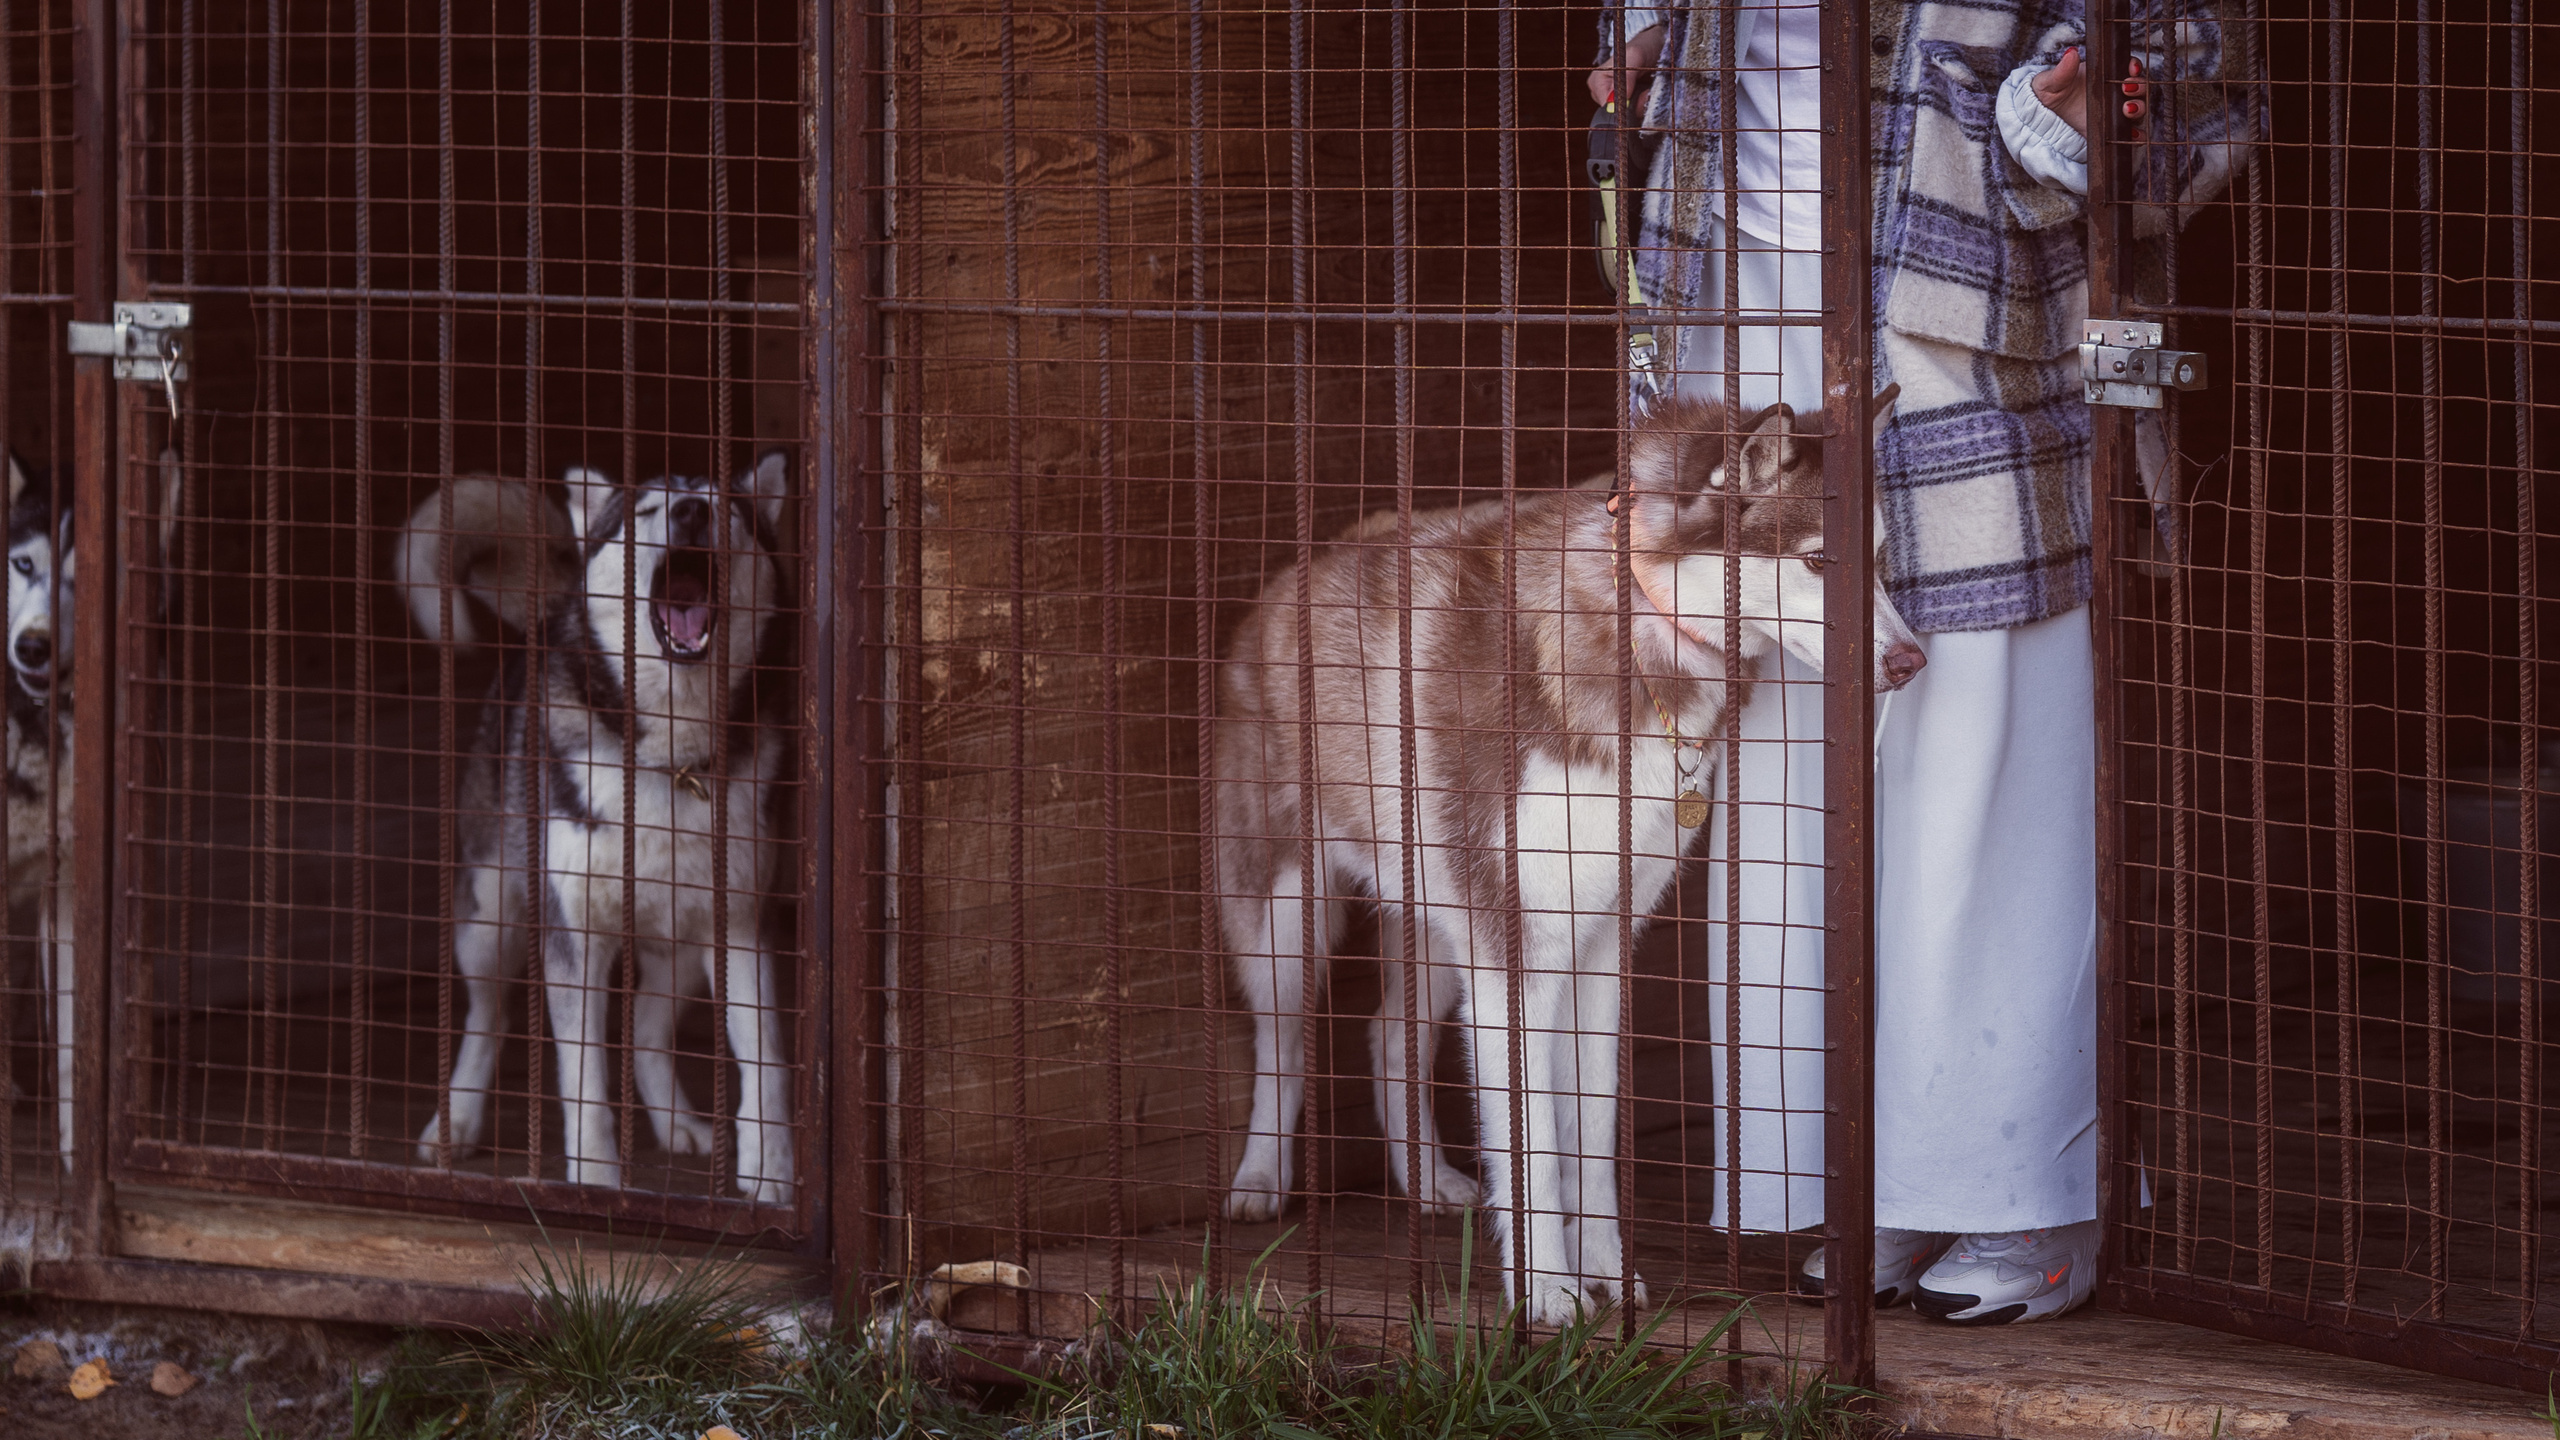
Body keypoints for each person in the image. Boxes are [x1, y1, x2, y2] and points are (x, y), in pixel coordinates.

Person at [1585, 1, 2255, 1323]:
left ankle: (2022, 1192)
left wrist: (2056, 115)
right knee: (1778, 784)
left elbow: (2195, 74)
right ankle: (1867, 1175)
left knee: (1985, 759)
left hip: (1970, 341)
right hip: (1741, 328)